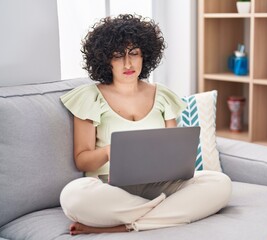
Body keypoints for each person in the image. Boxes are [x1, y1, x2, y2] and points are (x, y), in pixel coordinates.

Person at [59, 14, 232, 235]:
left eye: (134, 53)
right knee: (73, 196)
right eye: (118, 55)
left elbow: (175, 152)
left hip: (160, 184)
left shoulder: (162, 95)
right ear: (105, 59)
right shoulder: (89, 97)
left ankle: (126, 225)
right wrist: (112, 152)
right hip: (109, 187)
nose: (128, 63)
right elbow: (83, 160)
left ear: (145, 55)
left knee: (220, 184)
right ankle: (167, 213)